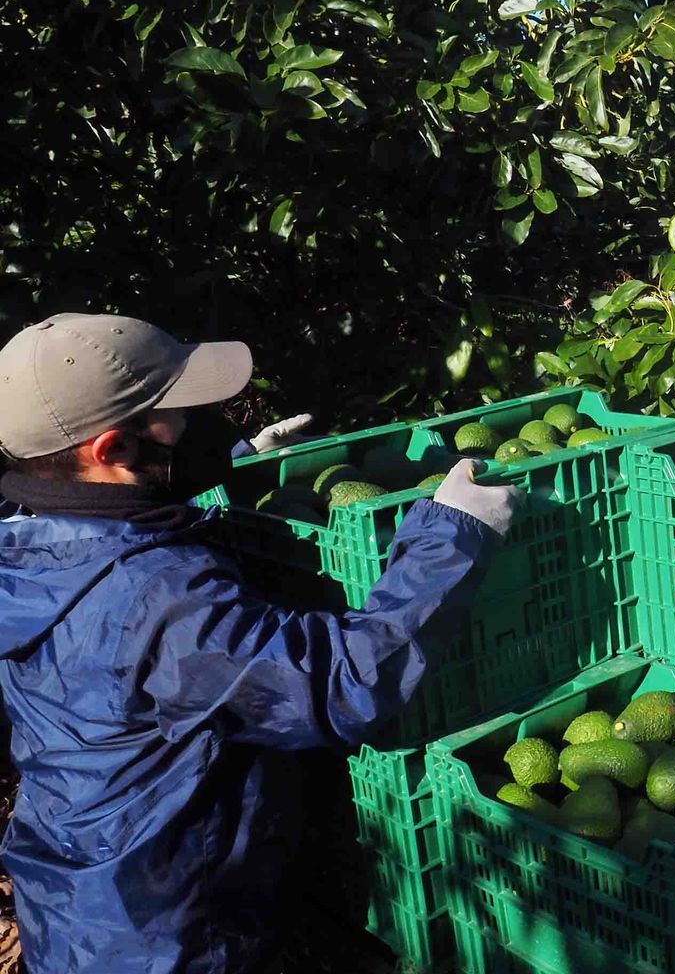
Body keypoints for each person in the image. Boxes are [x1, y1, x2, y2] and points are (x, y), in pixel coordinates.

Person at [0, 312, 522, 974]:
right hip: (172, 938)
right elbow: (340, 684)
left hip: (81, 899)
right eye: (175, 413)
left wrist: (241, 467)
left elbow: (113, 533)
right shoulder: (154, 599)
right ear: (114, 449)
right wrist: (455, 535)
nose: (195, 421)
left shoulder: (24, 540)